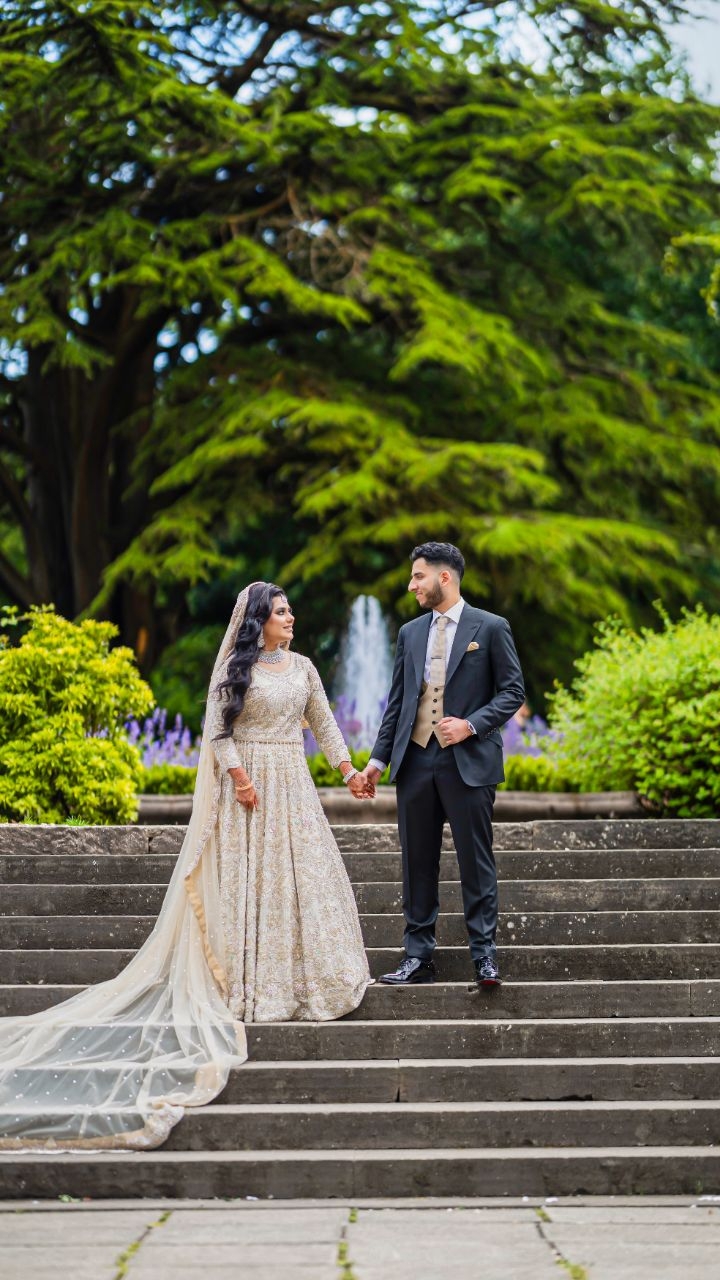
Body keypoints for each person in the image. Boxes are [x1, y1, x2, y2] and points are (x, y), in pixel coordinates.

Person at [0, 581, 373, 1152]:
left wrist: (348, 771)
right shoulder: (235, 668)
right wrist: (239, 776)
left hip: (294, 789)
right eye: (280, 612)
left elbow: (323, 724)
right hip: (247, 789)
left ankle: (302, 981)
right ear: (257, 622)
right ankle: (249, 985)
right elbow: (218, 731)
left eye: (290, 610)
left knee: (303, 884)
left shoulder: (302, 667)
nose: (290, 618)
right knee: (252, 887)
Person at [359, 543, 525, 989]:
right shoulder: (410, 633)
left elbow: (512, 692)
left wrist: (471, 725)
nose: (411, 585)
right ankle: (417, 957)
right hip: (415, 761)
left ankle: (484, 956)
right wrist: (378, 759)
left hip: (468, 762)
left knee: (475, 859)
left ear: (444, 578)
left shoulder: (490, 628)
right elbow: (398, 702)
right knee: (417, 861)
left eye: (418, 577)